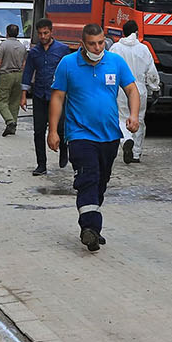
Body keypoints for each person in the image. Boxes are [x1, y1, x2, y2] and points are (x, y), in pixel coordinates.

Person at [47, 24, 140, 251]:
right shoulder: (68, 65)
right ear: (82, 43)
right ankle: (89, 226)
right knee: (88, 177)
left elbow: (132, 90)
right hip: (79, 134)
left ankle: (92, 228)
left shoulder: (115, 62)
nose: (97, 48)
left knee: (100, 182)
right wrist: (53, 130)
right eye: (92, 44)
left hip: (109, 136)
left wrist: (134, 115)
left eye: (100, 43)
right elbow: (58, 97)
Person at [21, 18, 70, 176]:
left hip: (59, 96)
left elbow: (70, 71)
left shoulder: (62, 50)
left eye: (45, 33)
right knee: (38, 131)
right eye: (40, 33)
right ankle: (41, 164)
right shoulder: (34, 52)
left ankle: (64, 149)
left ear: (51, 32)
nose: (43, 36)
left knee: (61, 128)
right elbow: (28, 72)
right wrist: (23, 95)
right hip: (39, 95)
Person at [108, 20, 160, 164]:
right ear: (136, 32)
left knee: (121, 118)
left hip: (120, 89)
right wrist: (155, 88)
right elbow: (151, 73)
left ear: (123, 33)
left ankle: (126, 140)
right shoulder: (144, 49)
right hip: (139, 89)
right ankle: (136, 153)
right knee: (138, 119)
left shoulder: (115, 48)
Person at [0, 23, 27, 136]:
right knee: (14, 101)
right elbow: (24, 63)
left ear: (7, 33)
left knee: (1, 100)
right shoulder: (22, 46)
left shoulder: (3, 45)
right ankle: (13, 126)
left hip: (6, 75)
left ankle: (9, 121)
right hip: (19, 75)